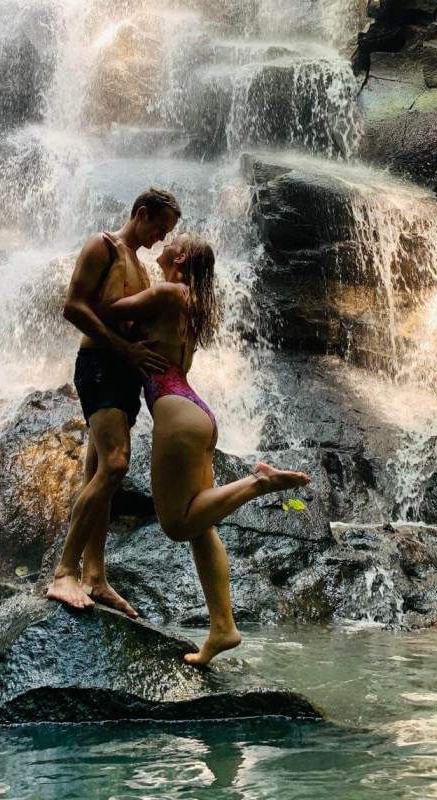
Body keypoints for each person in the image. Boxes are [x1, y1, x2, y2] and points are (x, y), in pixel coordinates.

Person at [103, 232, 310, 665]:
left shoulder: (168, 291)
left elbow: (106, 309)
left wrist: (119, 255)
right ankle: (222, 627)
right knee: (201, 528)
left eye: (172, 241)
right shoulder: (192, 301)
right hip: (196, 411)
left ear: (178, 258)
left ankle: (258, 482)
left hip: (175, 412)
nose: (163, 243)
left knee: (177, 525)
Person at [46, 186, 182, 617]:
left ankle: (96, 577)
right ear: (141, 214)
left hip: (128, 373)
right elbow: (72, 307)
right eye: (160, 227)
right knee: (117, 463)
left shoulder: (141, 267)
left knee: (98, 471)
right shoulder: (102, 246)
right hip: (101, 365)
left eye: (169, 232)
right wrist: (124, 349)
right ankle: (64, 572)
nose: (162, 238)